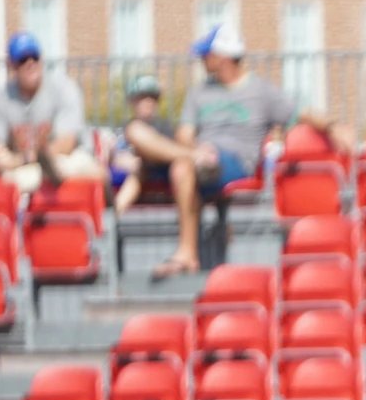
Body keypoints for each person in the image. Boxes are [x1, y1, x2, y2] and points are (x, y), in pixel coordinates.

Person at [142, 25, 353, 279]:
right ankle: (187, 248)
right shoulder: (198, 92)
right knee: (146, 137)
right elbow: (184, 134)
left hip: (234, 162)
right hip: (196, 157)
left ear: (222, 57)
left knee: (181, 166)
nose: (201, 59)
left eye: (206, 53)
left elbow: (301, 113)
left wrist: (333, 126)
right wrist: (196, 150)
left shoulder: (261, 91)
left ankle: (186, 254)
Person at [0, 33, 102, 192]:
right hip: (23, 168)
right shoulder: (3, 96)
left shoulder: (63, 88)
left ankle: (110, 212)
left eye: (34, 57)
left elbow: (66, 144)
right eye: (22, 60)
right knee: (17, 179)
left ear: (41, 59)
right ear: (12, 65)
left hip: (67, 158)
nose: (30, 63)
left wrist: (22, 158)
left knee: (90, 170)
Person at [108, 75, 176, 212]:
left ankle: (112, 216)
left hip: (150, 171)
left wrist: (138, 160)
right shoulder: (121, 129)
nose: (148, 102)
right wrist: (114, 158)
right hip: (121, 171)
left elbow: (168, 155)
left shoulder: (165, 128)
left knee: (139, 170)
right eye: (142, 97)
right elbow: (111, 155)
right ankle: (103, 214)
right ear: (132, 101)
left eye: (152, 98)